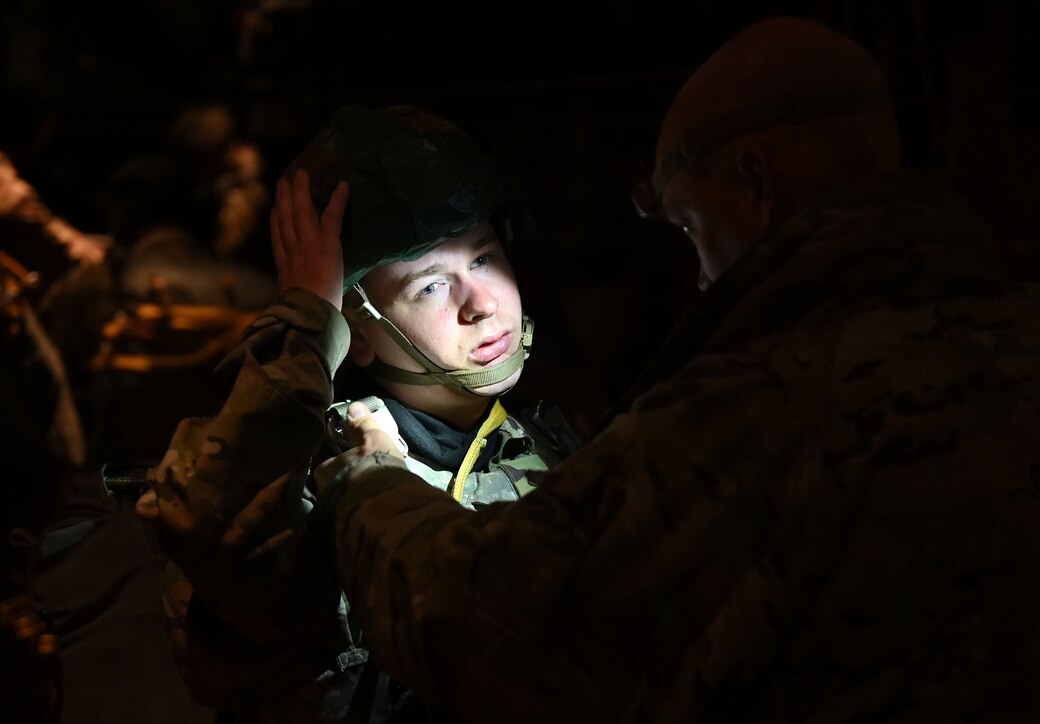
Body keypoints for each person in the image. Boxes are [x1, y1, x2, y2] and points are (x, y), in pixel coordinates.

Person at [296, 16, 1039, 723]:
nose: (703, 275)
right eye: (431, 282)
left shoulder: (752, 408)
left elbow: (490, 625)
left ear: (756, 184)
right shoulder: (1012, 326)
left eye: (688, 222)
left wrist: (367, 480)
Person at [135, 104, 581, 722]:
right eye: (429, 284)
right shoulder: (316, 475)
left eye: (483, 258)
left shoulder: (550, 440)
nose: (480, 303)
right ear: (358, 329)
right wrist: (307, 322)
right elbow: (214, 531)